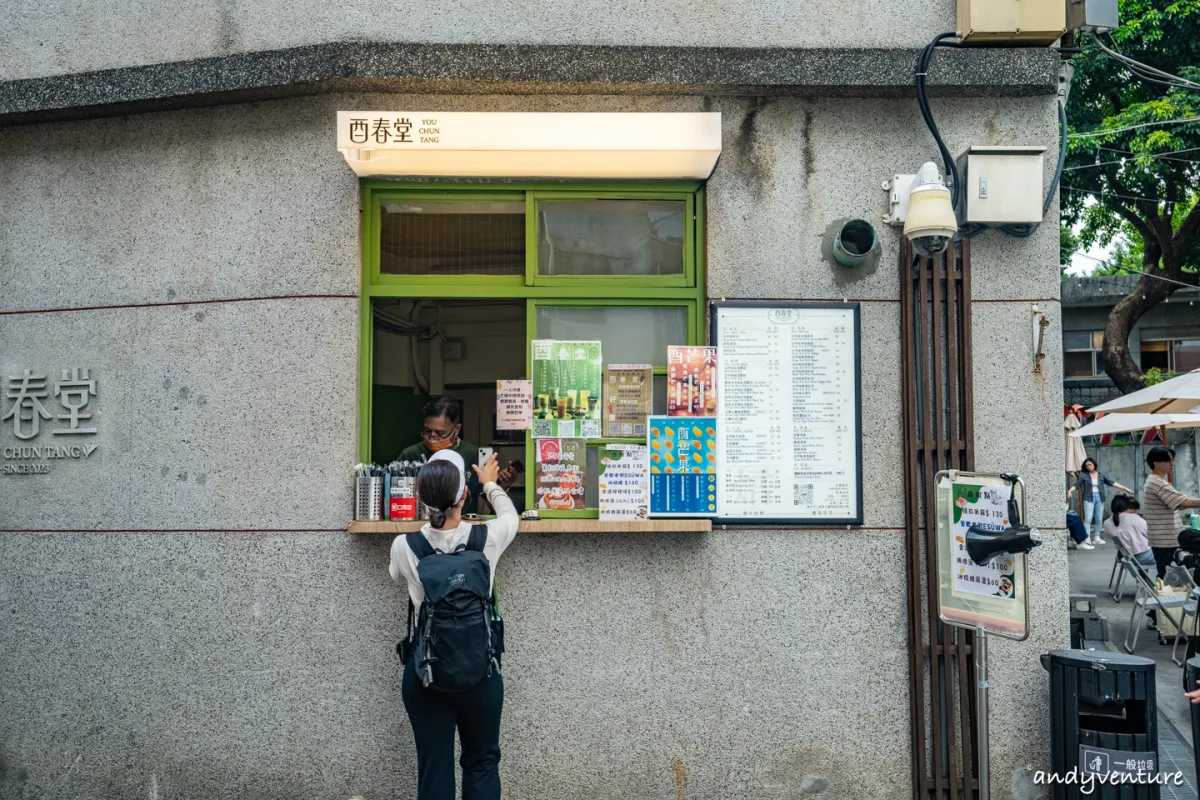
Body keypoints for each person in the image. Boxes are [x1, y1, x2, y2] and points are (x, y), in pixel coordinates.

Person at [389, 450, 518, 800]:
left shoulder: (405, 546)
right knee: (482, 762)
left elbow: (394, 574)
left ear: (421, 499)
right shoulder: (487, 538)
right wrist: (490, 483)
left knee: (435, 767)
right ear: (464, 495)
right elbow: (511, 515)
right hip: (481, 671)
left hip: (426, 670)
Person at [395, 396, 517, 510]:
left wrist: (501, 486)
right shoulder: (409, 456)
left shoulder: (474, 456)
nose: (432, 437)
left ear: (457, 429)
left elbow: (492, 507)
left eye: (439, 433)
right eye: (427, 431)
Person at [1142, 446, 1200, 580]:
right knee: (1167, 576)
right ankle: (1162, 599)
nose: (1172, 463)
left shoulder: (1156, 480)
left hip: (1164, 537)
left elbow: (1178, 504)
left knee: (1167, 574)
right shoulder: (1157, 482)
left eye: (1172, 460)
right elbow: (1184, 502)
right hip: (1165, 539)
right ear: (1156, 463)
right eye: (1168, 461)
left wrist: (1183, 502)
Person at [1067, 457, 1132, 546]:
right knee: (1088, 518)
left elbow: (1112, 482)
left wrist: (1125, 488)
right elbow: (1077, 484)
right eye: (1086, 465)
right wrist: (1070, 490)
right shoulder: (1084, 475)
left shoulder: (1101, 475)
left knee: (1098, 518)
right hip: (1088, 497)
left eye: (1090, 464)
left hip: (1100, 497)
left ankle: (1097, 537)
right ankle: (1087, 538)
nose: (1088, 466)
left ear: (1094, 464)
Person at [1102, 495, 1156, 570]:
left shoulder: (1106, 523)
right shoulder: (1135, 518)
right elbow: (1152, 535)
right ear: (1128, 507)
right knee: (1168, 554)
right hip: (1145, 557)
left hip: (1127, 559)